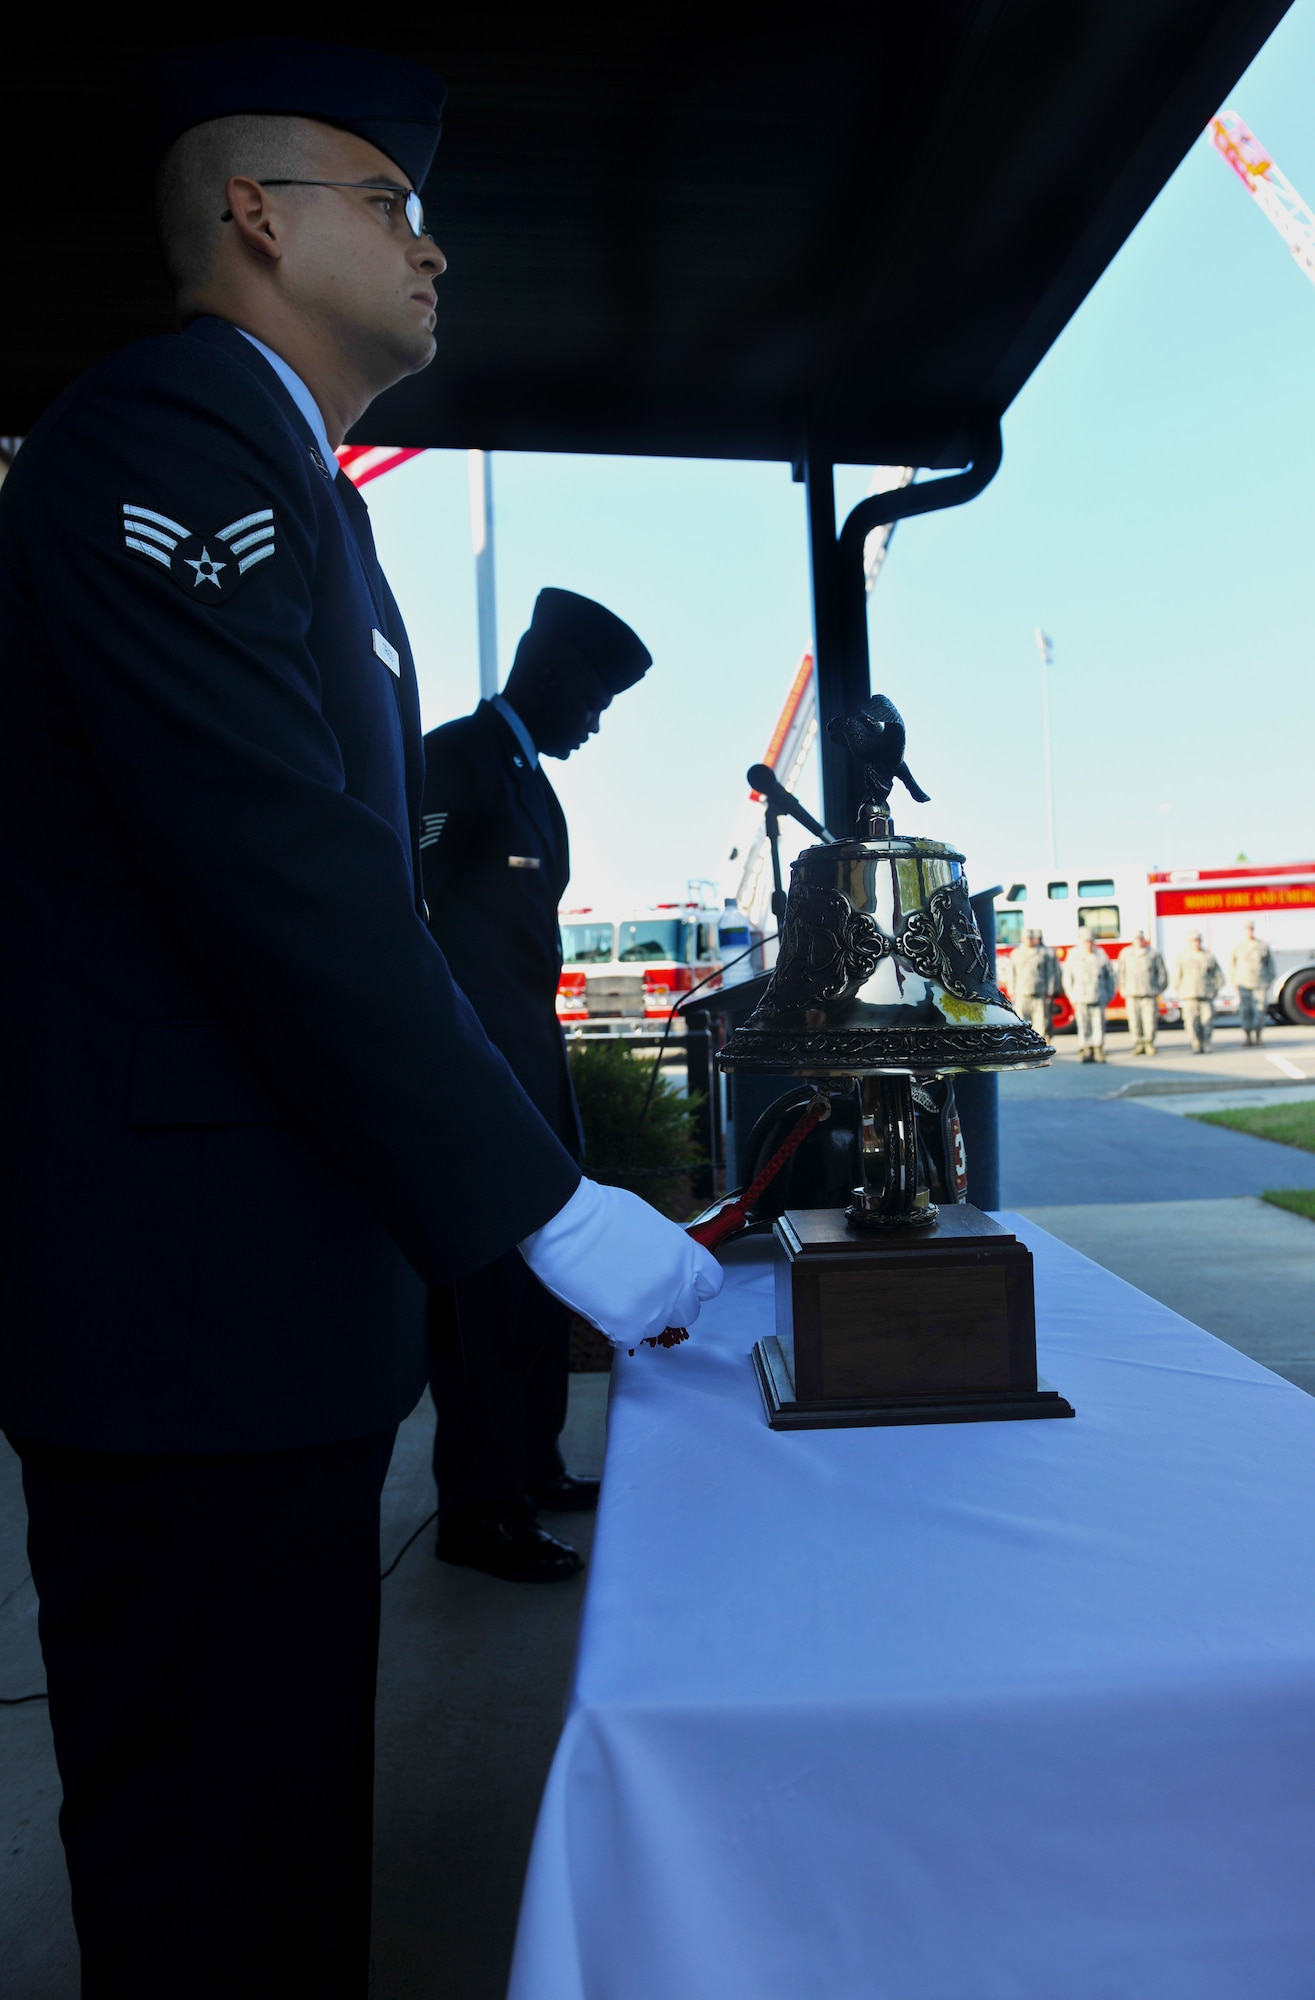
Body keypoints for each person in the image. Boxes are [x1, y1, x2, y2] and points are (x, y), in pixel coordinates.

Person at [0, 40, 721, 1999]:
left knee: (288, 1853)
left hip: (267, 1312)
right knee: (217, 1874)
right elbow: (278, 865)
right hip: (183, 1316)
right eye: (390, 202)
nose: (434, 249)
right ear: (256, 215)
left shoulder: (291, 483)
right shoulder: (162, 435)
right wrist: (540, 1201)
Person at [421, 589, 651, 1582]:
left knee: (535, 1280)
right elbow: (407, 916)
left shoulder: (525, 777)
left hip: (527, 1069)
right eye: (595, 700)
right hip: (469, 1081)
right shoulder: (456, 760)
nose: (596, 723)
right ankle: (480, 1510)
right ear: (551, 676)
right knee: (480, 1296)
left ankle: (533, 1464)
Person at [1062, 933, 1116, 1062]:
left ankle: (1098, 1048)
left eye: (1090, 942)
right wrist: (1071, 995)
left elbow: (1111, 976)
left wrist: (1109, 994)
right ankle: (1086, 1049)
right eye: (1086, 942)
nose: (1088, 945)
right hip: (1080, 997)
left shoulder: (1101, 955)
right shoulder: (1074, 956)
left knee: (1098, 1024)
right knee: (1083, 1024)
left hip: (1099, 995)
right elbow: (1068, 977)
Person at [1115, 929, 1168, 1055]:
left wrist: (1158, 989)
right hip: (1132, 994)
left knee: (1149, 1020)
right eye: (1136, 939)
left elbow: (1161, 973)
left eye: (1141, 939)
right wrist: (1122, 988)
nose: (1139, 941)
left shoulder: (1153, 954)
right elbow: (1120, 973)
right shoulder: (1126, 954)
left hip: (1149, 993)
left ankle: (1149, 1043)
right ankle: (1138, 1043)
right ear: (1133, 941)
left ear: (1144, 940)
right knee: (1134, 1020)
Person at [1173, 931, 1225, 1054]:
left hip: (1206, 994)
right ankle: (1195, 1042)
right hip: (1189, 995)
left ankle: (1206, 1042)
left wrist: (1215, 989)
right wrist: (1179, 990)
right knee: (1191, 1022)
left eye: (1197, 940)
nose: (1195, 943)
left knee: (1207, 1020)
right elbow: (1176, 976)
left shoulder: (1208, 956)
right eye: (1193, 941)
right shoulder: (1183, 957)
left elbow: (1218, 976)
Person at [1006, 928, 1060, 1042]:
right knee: (1022, 1022)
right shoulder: (1016, 954)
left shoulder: (1042, 953)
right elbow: (1012, 974)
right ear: (1022, 939)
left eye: (1031, 938)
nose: (1029, 940)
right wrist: (1011, 991)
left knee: (1041, 1023)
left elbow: (1049, 973)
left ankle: (1040, 1046)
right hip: (1022, 993)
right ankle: (1025, 1045)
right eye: (1027, 938)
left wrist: (1050, 991)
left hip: (1039, 993)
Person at [1230, 921, 1276, 1046]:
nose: (1249, 931)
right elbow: (1232, 966)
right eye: (1247, 929)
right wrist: (1233, 981)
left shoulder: (1262, 946)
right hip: (1243, 984)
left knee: (1259, 1011)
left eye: (1251, 929)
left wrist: (1269, 980)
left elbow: (1270, 965)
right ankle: (1247, 1037)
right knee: (1245, 1011)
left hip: (1259, 984)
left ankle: (1259, 1036)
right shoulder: (1239, 947)